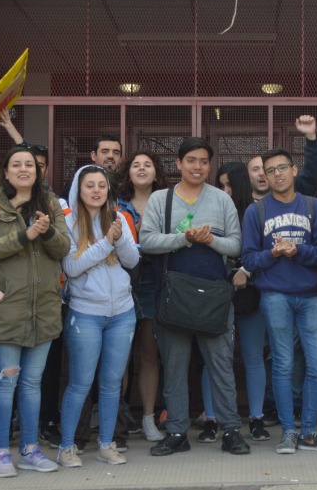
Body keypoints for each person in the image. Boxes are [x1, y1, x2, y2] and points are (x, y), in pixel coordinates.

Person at [139, 138, 249, 458]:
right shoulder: (162, 199)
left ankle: (230, 430)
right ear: (179, 164)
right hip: (174, 294)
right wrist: (182, 238)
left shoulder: (221, 200)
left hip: (214, 296)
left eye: (203, 161)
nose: (197, 166)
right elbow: (146, 241)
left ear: (209, 165)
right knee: (174, 367)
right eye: (190, 160)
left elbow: (236, 246)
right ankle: (176, 431)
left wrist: (211, 239)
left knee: (221, 366)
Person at [0, 145, 70, 477]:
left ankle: (30, 450)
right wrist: (24, 234)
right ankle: (1, 452)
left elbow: (64, 248)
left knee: (32, 383)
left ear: (38, 170)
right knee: (5, 381)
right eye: (16, 164)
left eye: (29, 164)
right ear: (6, 171)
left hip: (43, 307)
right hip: (4, 309)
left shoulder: (51, 204)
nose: (24, 169)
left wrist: (45, 233)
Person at [242, 148, 317, 454]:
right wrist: (272, 253)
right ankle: (288, 432)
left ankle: (309, 432)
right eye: (270, 170)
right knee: (282, 364)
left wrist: (299, 251)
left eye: (282, 168)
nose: (276, 174)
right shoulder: (254, 212)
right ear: (264, 177)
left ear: (295, 170)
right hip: (275, 296)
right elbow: (247, 259)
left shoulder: (314, 206)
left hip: (310, 295)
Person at [53, 165, 140, 468]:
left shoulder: (117, 218)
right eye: (89, 185)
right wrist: (106, 243)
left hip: (122, 312)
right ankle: (66, 448)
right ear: (78, 188)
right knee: (80, 382)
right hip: (85, 312)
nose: (96, 191)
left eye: (101, 185)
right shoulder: (68, 222)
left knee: (112, 383)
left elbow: (132, 260)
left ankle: (107, 443)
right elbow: (72, 267)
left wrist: (119, 237)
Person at [219, 160, 275, 443]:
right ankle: (211, 417)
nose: (225, 191)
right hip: (218, 296)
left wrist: (246, 271)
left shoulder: (256, 213)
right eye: (220, 186)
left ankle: (256, 418)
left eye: (229, 185)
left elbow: (267, 252)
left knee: (254, 358)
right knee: (216, 359)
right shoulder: (214, 209)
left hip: (252, 295)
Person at [117, 151, 167, 442]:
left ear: (156, 172)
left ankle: (149, 419)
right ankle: (118, 419)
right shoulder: (116, 204)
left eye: (148, 164)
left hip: (154, 283)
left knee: (150, 355)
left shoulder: (165, 202)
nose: (142, 168)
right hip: (121, 284)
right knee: (119, 358)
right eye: (136, 164)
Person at [248, 115, 317, 201]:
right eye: (255, 169)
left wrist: (311, 138)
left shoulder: (293, 193)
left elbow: (312, 174)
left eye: (267, 170)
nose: (261, 173)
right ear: (247, 175)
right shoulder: (240, 203)